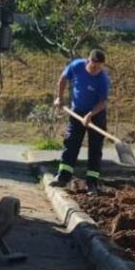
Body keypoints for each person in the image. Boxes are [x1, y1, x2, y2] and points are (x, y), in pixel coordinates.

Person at [51, 48, 110, 195]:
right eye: (93, 66)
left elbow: (102, 102)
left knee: (95, 149)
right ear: (88, 60)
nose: (95, 69)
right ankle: (63, 176)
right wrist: (59, 97)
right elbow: (63, 79)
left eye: (98, 67)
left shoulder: (103, 79)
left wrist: (90, 115)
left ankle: (92, 183)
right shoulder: (76, 66)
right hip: (77, 112)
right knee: (71, 142)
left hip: (96, 115)